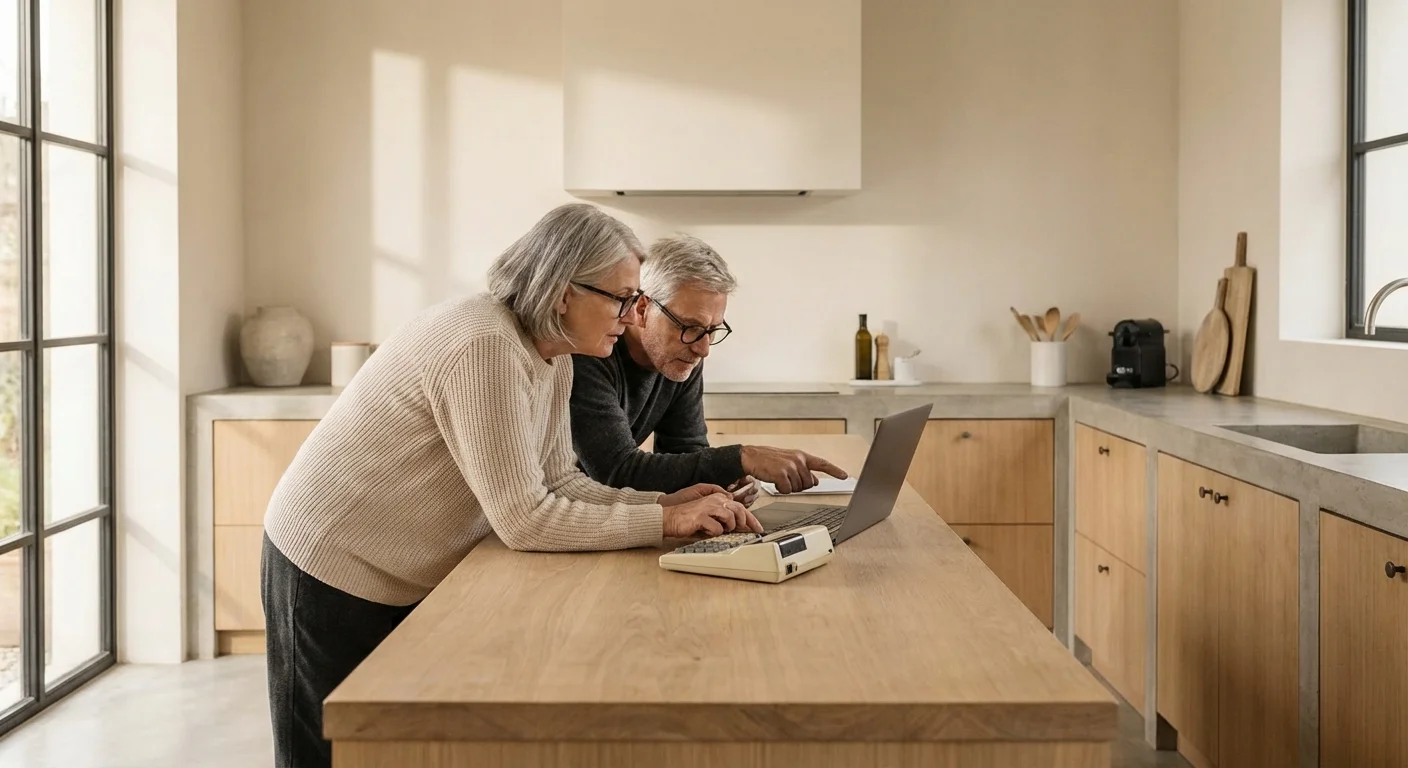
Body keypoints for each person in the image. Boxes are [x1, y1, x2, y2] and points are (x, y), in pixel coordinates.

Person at [259, 204, 761, 768]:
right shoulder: (485, 343)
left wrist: (662, 502)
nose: (630, 317)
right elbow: (525, 519)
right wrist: (663, 519)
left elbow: (559, 480)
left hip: (396, 567)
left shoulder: (554, 351)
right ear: (565, 292)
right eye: (622, 299)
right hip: (328, 558)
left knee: (388, 750)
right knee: (323, 757)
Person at [569, 233, 846, 502]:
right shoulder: (589, 353)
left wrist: (725, 479)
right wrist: (740, 458)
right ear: (642, 309)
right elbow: (616, 472)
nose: (703, 349)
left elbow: (685, 452)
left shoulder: (682, 353)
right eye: (690, 327)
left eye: (712, 330)